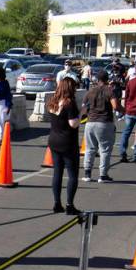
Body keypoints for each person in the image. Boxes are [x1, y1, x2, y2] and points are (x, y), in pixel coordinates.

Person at [48, 78, 82, 214]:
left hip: (54, 140)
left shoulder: (52, 101)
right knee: (72, 174)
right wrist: (82, 113)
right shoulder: (69, 103)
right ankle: (69, 205)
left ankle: (57, 203)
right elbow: (73, 124)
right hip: (67, 142)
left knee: (57, 172)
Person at [81, 70, 119, 182]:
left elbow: (83, 107)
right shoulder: (109, 91)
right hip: (104, 122)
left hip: (90, 122)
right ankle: (103, 175)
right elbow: (115, 106)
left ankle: (87, 174)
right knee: (105, 150)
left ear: (97, 80)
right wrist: (124, 110)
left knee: (90, 149)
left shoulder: (90, 91)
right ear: (107, 79)